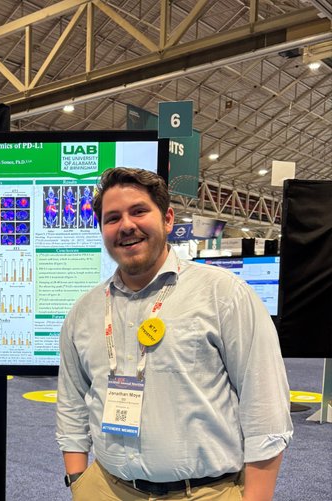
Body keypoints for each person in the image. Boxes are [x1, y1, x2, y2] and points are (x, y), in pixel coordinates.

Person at [56, 167, 292, 500]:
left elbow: (265, 407)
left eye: (139, 211)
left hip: (204, 492)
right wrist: (79, 482)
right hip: (106, 488)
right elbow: (72, 404)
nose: (126, 225)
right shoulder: (84, 311)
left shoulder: (224, 295)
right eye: (112, 218)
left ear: (167, 219)